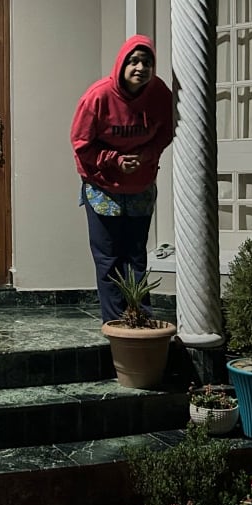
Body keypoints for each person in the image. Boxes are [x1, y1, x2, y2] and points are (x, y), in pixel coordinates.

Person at [70, 34, 174, 323]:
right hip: (102, 188)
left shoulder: (159, 94)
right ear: (122, 64)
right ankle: (116, 323)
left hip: (140, 186)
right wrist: (114, 160)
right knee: (109, 259)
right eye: (134, 61)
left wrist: (146, 155)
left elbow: (167, 131)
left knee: (136, 256)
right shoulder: (98, 97)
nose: (140, 68)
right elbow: (81, 144)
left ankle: (140, 319)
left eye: (147, 62)